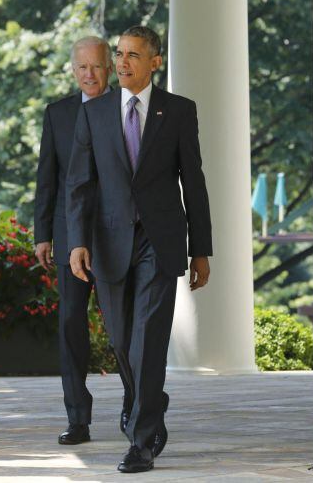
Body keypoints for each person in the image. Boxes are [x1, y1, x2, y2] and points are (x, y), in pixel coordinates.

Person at [65, 25, 212, 473]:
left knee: (147, 342)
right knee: (123, 342)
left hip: (160, 243)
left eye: (133, 55)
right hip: (109, 244)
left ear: (155, 62)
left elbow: (195, 182)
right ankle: (147, 399)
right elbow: (79, 184)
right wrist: (77, 243)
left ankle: (142, 441)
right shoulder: (94, 113)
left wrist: (201, 248)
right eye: (120, 54)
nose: (123, 62)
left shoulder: (179, 111)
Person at [33, 36, 122, 445]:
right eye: (82, 67)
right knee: (70, 325)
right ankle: (78, 419)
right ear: (73, 70)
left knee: (122, 328)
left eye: (97, 66)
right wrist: (42, 235)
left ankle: (135, 410)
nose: (89, 74)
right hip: (70, 239)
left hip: (116, 236)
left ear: (110, 68)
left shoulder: (127, 109)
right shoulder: (58, 114)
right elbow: (46, 178)